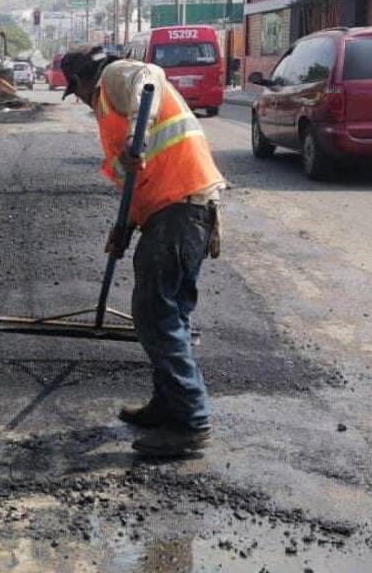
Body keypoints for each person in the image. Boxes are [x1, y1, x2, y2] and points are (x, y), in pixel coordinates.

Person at [60, 47, 225, 458]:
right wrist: (124, 228)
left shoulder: (116, 75)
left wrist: (139, 135)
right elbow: (133, 179)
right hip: (175, 211)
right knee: (170, 315)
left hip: (179, 210)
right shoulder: (107, 105)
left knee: (156, 315)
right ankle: (167, 405)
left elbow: (149, 76)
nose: (80, 100)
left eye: (75, 92)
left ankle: (191, 424)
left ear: (82, 80)